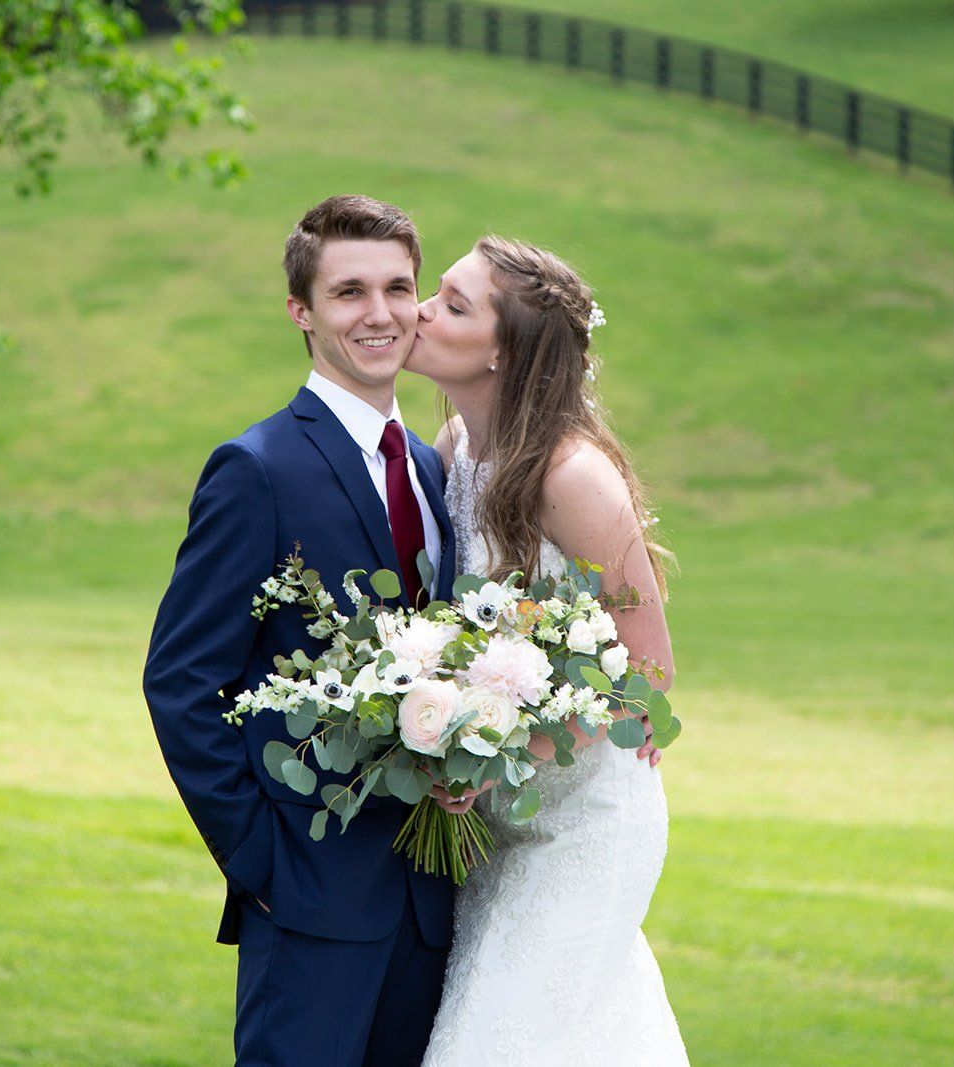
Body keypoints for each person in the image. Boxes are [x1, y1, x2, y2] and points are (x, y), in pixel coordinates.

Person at [142, 194, 458, 1066]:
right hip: (307, 897)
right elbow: (182, 680)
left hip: (431, 904)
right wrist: (261, 861)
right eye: (349, 291)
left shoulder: (432, 470)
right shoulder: (258, 468)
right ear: (302, 312)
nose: (380, 313)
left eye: (399, 287)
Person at [407, 235, 688, 1064]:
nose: (421, 309)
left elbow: (648, 674)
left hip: (585, 822)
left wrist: (496, 756)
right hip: (498, 825)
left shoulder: (572, 478)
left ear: (504, 352)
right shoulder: (459, 449)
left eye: (453, 304)